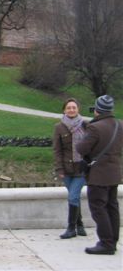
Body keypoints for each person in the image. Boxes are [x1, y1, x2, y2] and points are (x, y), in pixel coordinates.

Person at [76, 95, 123, 255]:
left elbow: (82, 148)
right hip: (114, 173)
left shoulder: (95, 127)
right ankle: (113, 240)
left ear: (97, 110)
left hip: (98, 175)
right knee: (112, 206)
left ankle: (106, 243)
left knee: (98, 208)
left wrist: (86, 131)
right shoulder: (119, 125)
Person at [53, 98, 87, 239]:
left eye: (74, 107)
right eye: (69, 108)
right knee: (75, 197)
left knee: (73, 196)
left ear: (78, 109)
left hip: (81, 168)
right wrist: (59, 169)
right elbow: (57, 150)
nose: (71, 110)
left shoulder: (86, 125)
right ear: (64, 110)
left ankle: (71, 228)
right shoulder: (59, 127)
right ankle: (79, 224)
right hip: (66, 169)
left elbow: (90, 147)